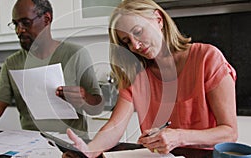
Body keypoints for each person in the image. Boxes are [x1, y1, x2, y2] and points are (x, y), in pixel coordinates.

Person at [66, 0, 238, 157]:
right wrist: (89, 150)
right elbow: (115, 127)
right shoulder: (135, 74)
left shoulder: (207, 58)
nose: (135, 46)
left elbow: (229, 132)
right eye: (127, 41)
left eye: (138, 32)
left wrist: (178, 136)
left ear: (159, 19)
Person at [0, 0, 104, 149]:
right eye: (16, 24)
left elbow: (96, 107)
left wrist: (84, 98)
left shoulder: (76, 54)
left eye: (25, 23)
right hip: (31, 145)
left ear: (47, 19)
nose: (19, 30)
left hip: (72, 144)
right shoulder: (12, 63)